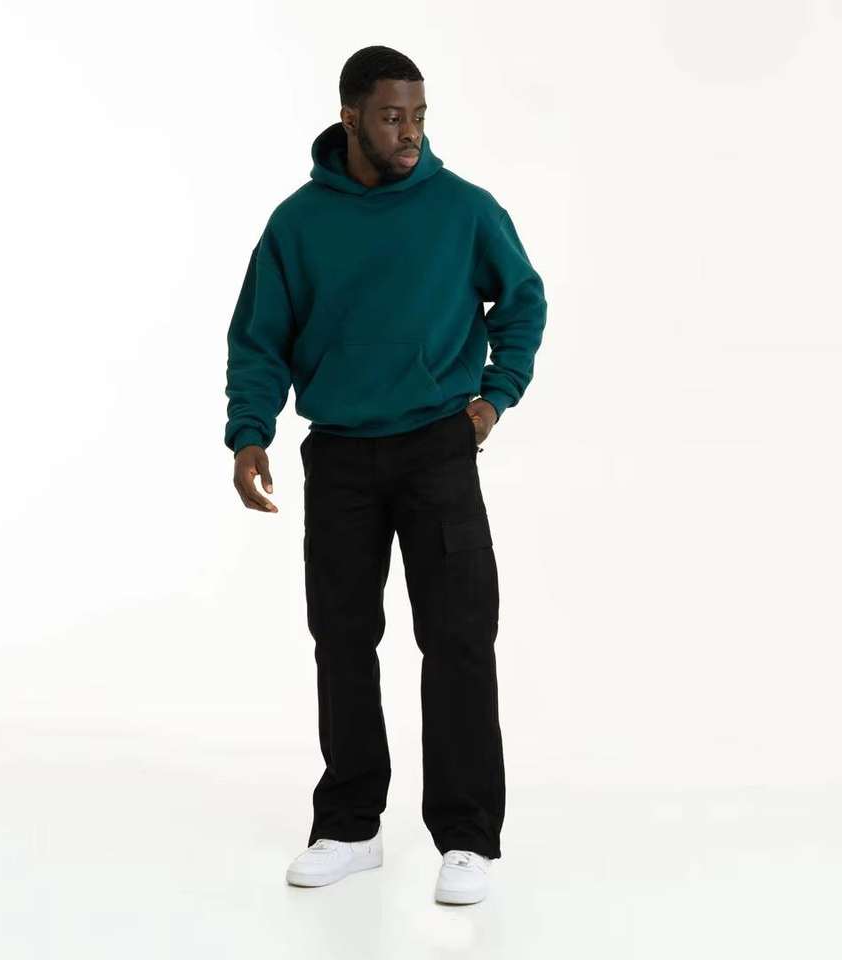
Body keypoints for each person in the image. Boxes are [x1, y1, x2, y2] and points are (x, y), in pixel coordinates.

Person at [224, 45, 547, 905]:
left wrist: (493, 399)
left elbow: (523, 301)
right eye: (393, 117)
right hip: (339, 455)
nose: (410, 133)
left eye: (420, 117)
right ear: (351, 117)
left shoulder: (463, 209)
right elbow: (258, 338)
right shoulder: (299, 223)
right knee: (341, 639)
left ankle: (468, 838)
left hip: (438, 448)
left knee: (459, 638)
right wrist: (249, 434)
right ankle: (349, 826)